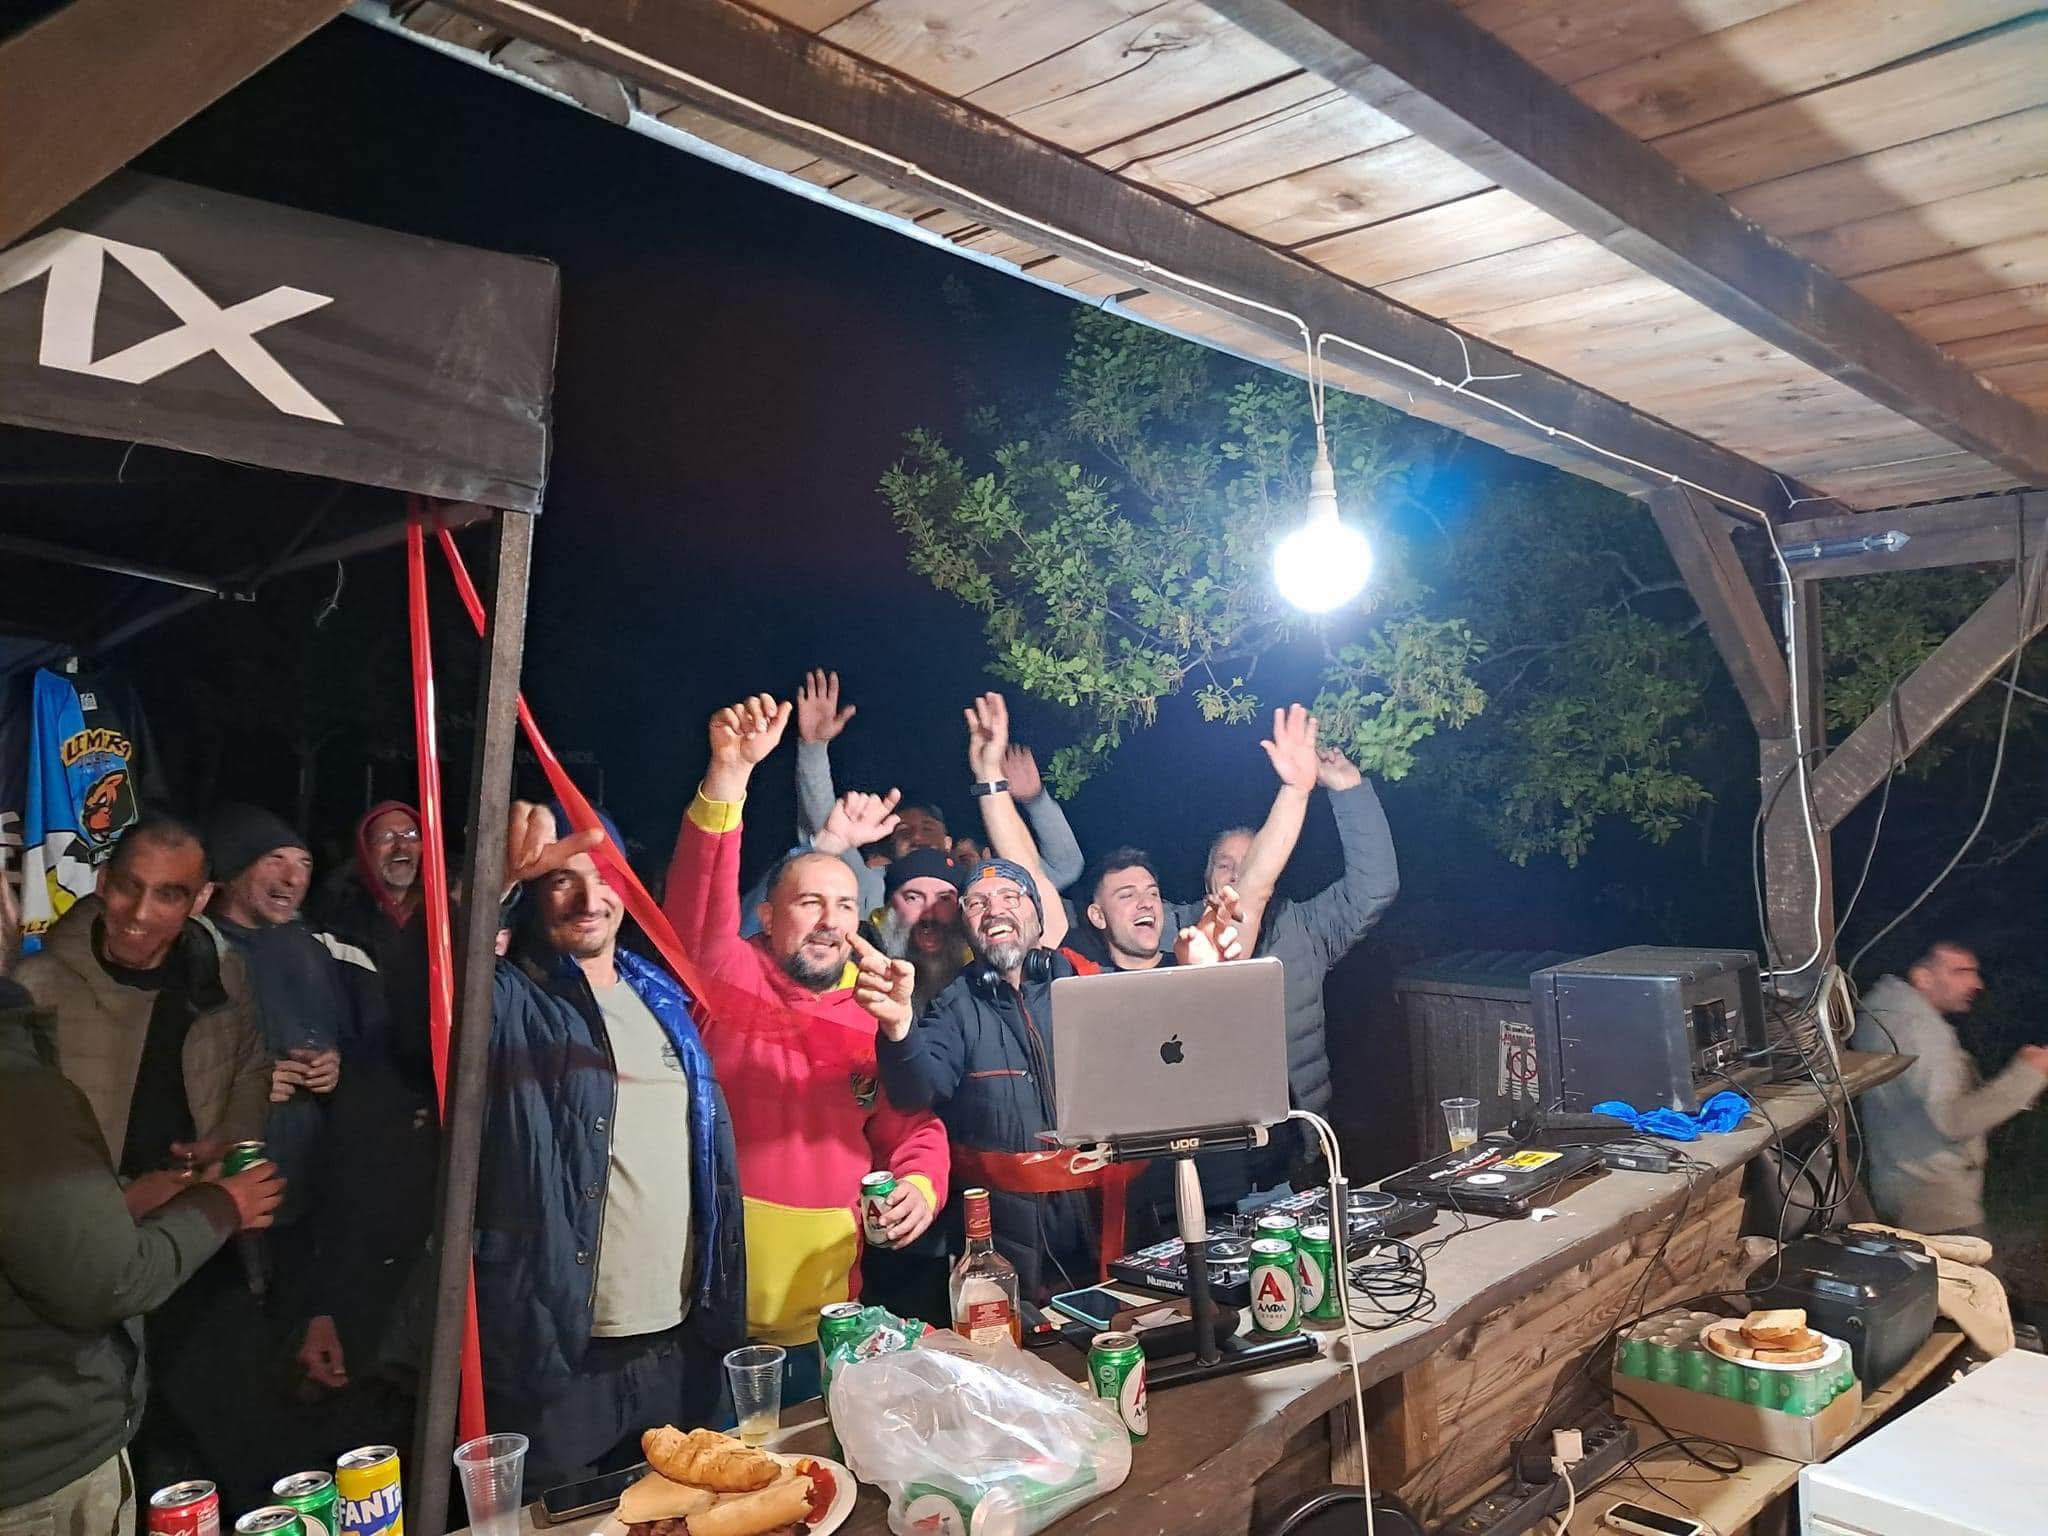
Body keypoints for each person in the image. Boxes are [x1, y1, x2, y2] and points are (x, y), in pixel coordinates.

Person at [875, 692, 1242, 1300]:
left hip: (1118, 1231)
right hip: (1005, 1248)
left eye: (1011, 897)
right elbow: (918, 1089)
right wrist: (896, 1029)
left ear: (1037, 914)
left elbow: (1172, 1060)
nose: (996, 909)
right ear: (967, 924)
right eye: (978, 902)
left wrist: (1197, 979)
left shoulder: (1085, 981)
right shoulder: (953, 1006)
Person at [664, 695, 948, 1385]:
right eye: (809, 902)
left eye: (845, 905)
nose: (830, 920)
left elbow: (914, 1126)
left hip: (833, 1323)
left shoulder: (872, 1006)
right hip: (710, 1322)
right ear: (767, 916)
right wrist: (729, 775)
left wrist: (921, 1185)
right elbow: (699, 899)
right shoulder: (727, 974)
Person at [2, 859, 286, 1536]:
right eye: (131, 886)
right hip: (43, 1436)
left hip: (168, 1254)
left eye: (169, 893)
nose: (141, 911)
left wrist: (129, 1195)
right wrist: (222, 1205)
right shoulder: (39, 1002)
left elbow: (248, 1072)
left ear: (199, 900)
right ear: (103, 884)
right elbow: (104, 1279)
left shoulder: (222, 977)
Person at [479, 803, 744, 1495]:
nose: (588, 897)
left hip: (678, 1340)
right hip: (564, 1352)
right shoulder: (513, 997)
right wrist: (490, 888)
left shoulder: (664, 997)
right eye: (561, 879)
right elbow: (440, 992)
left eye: (605, 876)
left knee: (679, 1517)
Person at [791, 668, 1085, 890]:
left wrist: (1035, 801)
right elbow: (825, 830)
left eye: (928, 828)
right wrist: (813, 750)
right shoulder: (870, 886)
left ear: (947, 842)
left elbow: (1063, 870)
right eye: (903, 831)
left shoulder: (978, 888)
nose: (917, 837)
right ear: (888, 846)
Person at [1851, 943, 2048, 1237]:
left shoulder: (1886, 1016)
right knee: (1971, 1268)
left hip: (1903, 1182)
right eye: (1960, 971)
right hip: (1936, 1200)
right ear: (1923, 977)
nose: (1976, 983)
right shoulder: (1917, 1029)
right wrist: (2029, 1074)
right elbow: (1952, 1120)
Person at [310, 801, 433, 1098]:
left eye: (412, 835)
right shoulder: (334, 921)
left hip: (435, 1093)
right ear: (365, 851)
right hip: (361, 1093)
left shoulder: (447, 918)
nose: (401, 846)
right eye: (387, 838)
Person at [870, 846, 972, 1014]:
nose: (929, 914)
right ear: (890, 908)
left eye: (944, 899)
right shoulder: (860, 966)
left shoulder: (981, 977)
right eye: (913, 898)